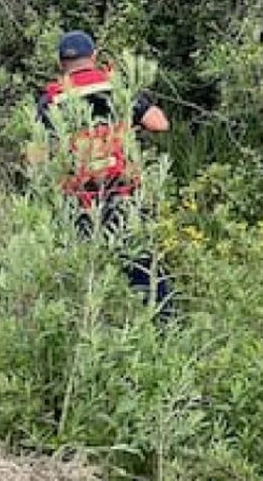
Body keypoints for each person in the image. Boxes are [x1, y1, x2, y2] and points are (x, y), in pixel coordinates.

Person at [32, 30, 174, 319]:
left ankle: (91, 327)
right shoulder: (115, 86)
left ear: (60, 63)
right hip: (123, 194)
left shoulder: (52, 100)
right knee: (144, 271)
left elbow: (37, 158)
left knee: (83, 275)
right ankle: (165, 327)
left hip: (80, 200)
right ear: (94, 56)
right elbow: (159, 124)